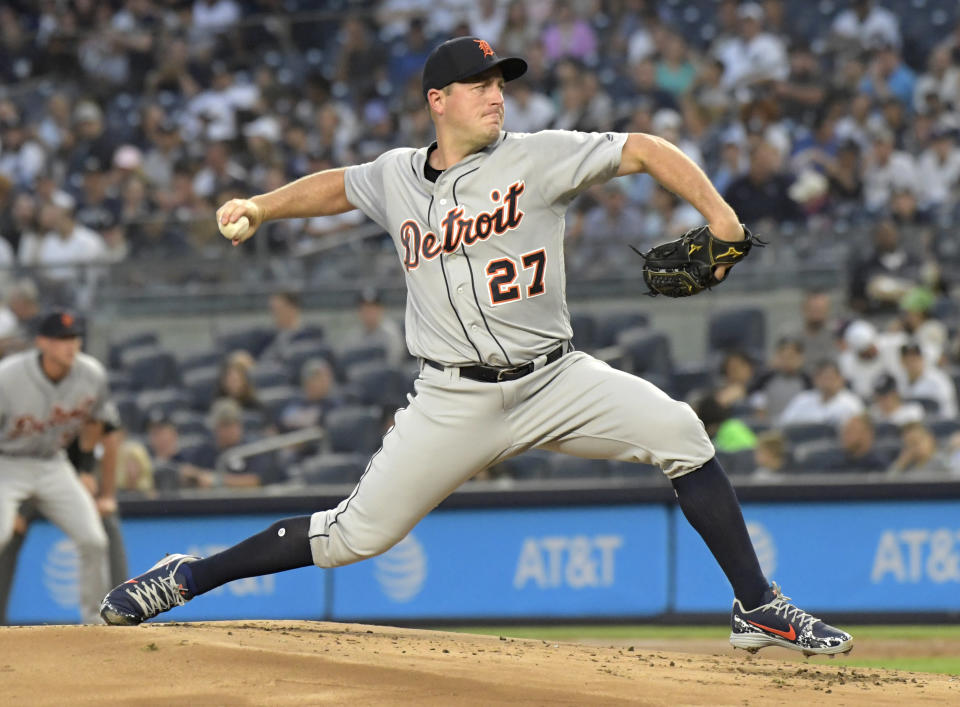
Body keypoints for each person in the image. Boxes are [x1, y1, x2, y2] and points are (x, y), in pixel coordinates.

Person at [100, 36, 852, 656]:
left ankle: (757, 605)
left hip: (556, 378)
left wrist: (720, 219)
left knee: (681, 432)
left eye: (500, 82)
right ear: (438, 101)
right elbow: (339, 184)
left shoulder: (538, 155)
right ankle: (189, 575)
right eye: (478, 84)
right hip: (452, 396)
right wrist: (261, 206)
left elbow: (645, 148)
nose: (497, 94)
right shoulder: (396, 175)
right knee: (355, 535)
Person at [0, 311, 119, 624]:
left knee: (93, 539)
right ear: (42, 342)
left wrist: (86, 468)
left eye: (75, 338)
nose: (71, 345)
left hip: (53, 464)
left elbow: (97, 421)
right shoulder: (8, 377)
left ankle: (96, 622)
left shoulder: (90, 373)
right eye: (62, 339)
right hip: (6, 463)